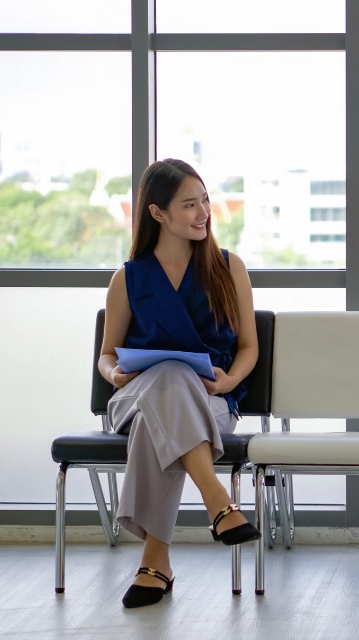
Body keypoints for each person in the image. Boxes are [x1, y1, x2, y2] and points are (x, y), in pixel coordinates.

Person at [98, 159, 261, 609]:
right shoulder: (127, 279)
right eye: (190, 205)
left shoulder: (230, 268)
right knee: (167, 377)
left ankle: (156, 562)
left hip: (210, 401)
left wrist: (231, 377)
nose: (204, 213)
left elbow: (249, 347)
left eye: (205, 201)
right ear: (157, 214)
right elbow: (107, 354)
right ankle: (218, 502)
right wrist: (115, 374)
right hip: (135, 399)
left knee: (167, 413)